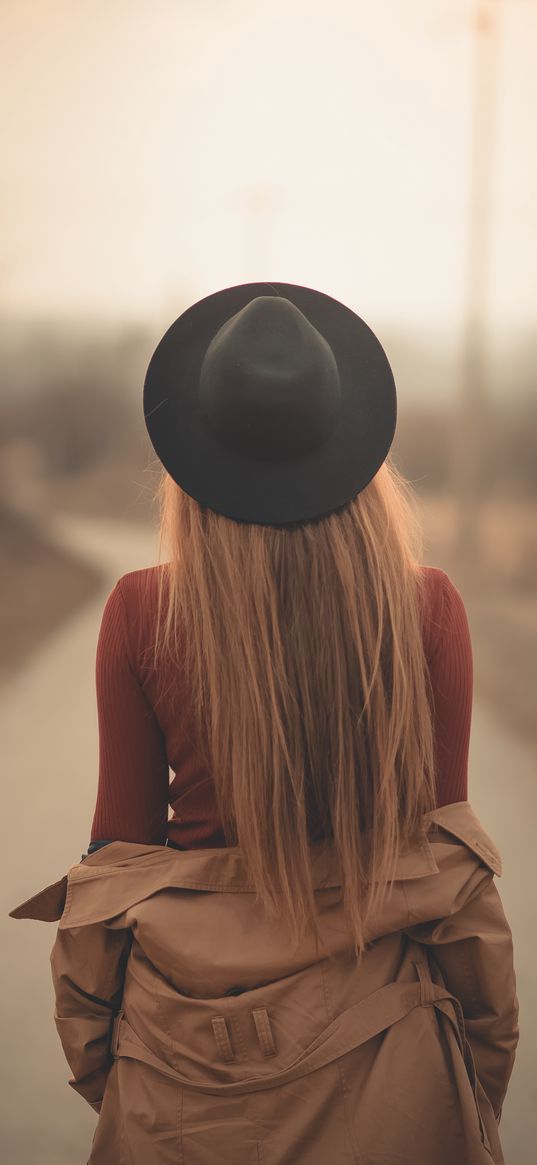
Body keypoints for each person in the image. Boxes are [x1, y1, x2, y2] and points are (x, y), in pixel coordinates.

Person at [9, 283, 519, 1164]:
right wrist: (475, 1080)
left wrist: (118, 1071)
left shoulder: (141, 612)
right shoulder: (428, 609)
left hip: (180, 1065)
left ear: (195, 458)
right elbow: (451, 877)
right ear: (350, 449)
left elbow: (116, 867)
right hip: (392, 1072)